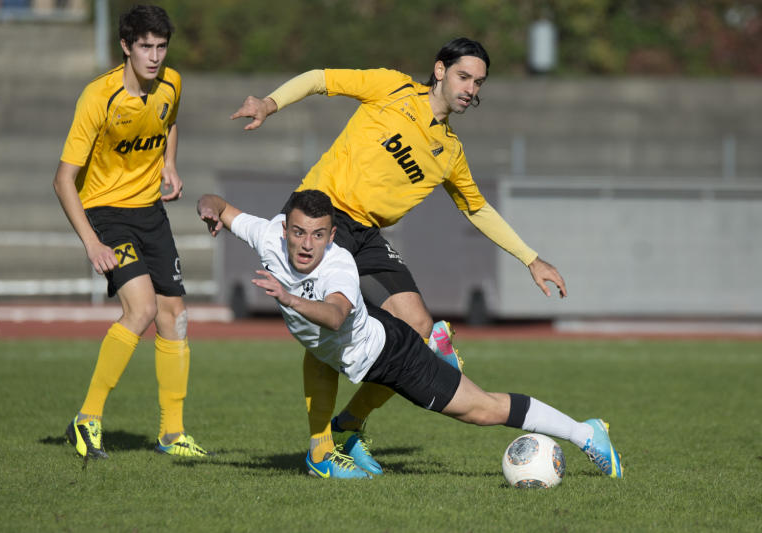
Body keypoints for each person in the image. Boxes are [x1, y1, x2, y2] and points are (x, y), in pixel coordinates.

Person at [230, 37, 567, 474]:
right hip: (321, 217)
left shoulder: (449, 151)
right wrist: (269, 104)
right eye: (464, 76)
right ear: (440, 70)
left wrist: (530, 258)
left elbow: (477, 208)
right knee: (328, 325)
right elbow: (319, 79)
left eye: (478, 82)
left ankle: (349, 424)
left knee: (419, 327)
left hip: (366, 232)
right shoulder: (392, 87)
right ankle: (320, 450)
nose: (470, 89)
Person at [197, 189, 621, 479]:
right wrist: (208, 208)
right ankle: (326, 448)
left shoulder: (338, 264)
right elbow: (220, 204)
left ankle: (586, 433)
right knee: (319, 355)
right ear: (284, 228)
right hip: (344, 351)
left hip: (390, 356)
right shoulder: (266, 235)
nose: (307, 244)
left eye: (319, 234)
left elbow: (335, 316)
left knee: (482, 409)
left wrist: (288, 298)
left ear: (331, 235)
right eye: (299, 232)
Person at [53, 4, 210, 459]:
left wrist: (170, 164)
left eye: (161, 47)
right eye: (145, 47)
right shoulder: (97, 97)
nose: (155, 56)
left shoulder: (172, 83)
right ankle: (87, 419)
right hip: (106, 215)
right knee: (141, 309)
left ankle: (172, 434)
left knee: (175, 315)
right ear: (126, 46)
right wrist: (92, 242)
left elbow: (169, 121)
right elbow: (63, 180)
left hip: (150, 214)